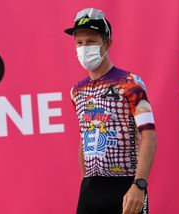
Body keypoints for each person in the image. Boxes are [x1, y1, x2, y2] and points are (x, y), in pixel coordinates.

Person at [65, 8, 157, 214]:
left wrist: (139, 185)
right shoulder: (76, 91)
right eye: (79, 43)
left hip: (125, 186)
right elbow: (84, 138)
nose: (83, 48)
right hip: (90, 189)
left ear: (107, 43)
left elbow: (149, 135)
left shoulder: (130, 82)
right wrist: (86, 181)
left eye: (91, 41)